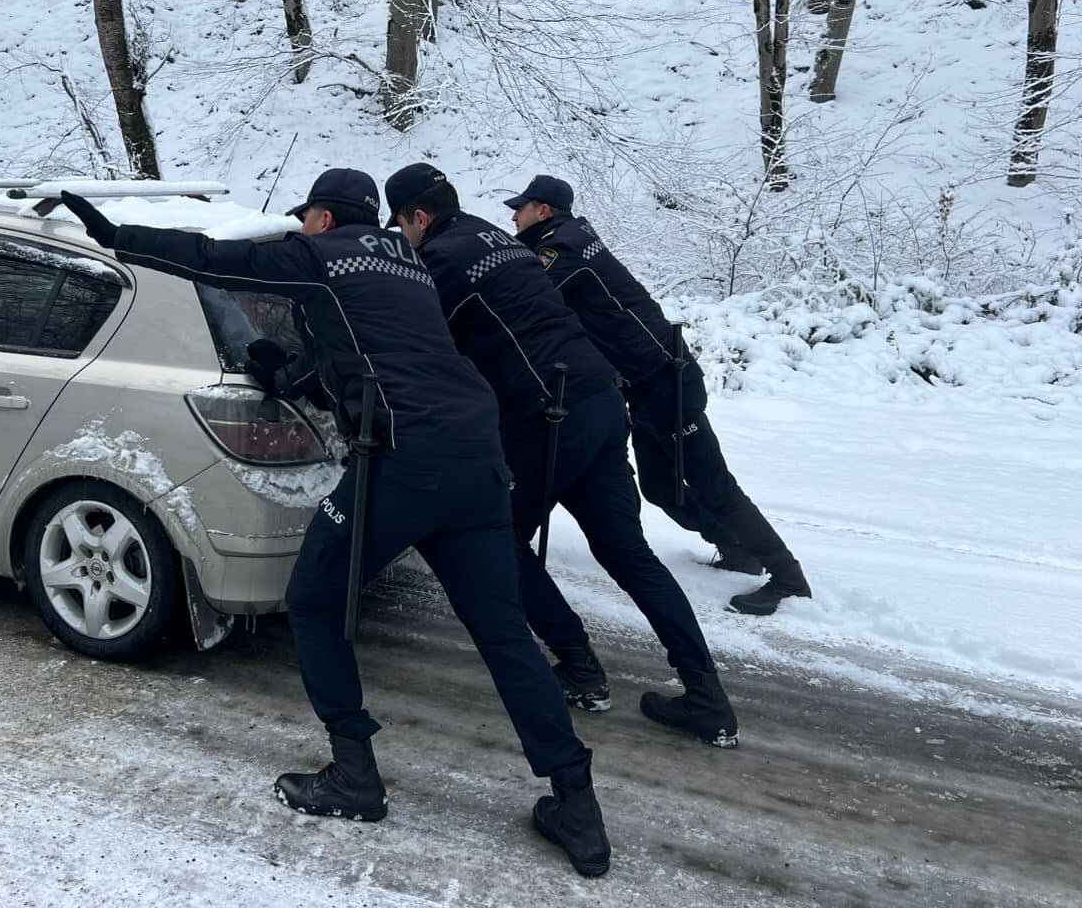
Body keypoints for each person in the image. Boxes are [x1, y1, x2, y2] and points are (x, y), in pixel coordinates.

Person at [60, 172, 611, 877]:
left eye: (305, 216)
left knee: (315, 600)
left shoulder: (315, 254)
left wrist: (113, 236)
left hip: (404, 462)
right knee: (503, 633)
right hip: (478, 455)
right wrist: (289, 378)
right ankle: (576, 802)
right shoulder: (407, 260)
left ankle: (354, 773)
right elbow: (371, 345)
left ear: (320, 217)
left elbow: (208, 258)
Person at [384, 163, 739, 748]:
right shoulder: (501, 239)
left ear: (418, 217)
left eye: (402, 225)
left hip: (547, 417)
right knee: (628, 554)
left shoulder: (441, 261)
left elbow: (417, 342)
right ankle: (708, 697)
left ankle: (578, 666)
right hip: (601, 401)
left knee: (495, 540)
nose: (405, 236)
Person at [506, 175, 813, 617]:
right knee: (658, 488)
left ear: (544, 211)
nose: (514, 215)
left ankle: (788, 577)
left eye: (522, 208)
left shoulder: (562, 247)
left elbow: (524, 294)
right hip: (647, 384)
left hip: (666, 381)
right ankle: (735, 546)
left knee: (715, 484)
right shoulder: (568, 237)